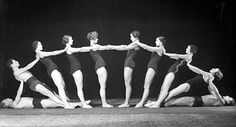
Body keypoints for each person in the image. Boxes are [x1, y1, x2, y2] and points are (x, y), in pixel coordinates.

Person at [145, 62, 235, 107]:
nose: (227, 96)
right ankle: (156, 103)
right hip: (194, 93)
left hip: (193, 93)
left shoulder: (222, 101)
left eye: (229, 98)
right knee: (172, 96)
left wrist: (189, 65)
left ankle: (156, 104)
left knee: (172, 96)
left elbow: (198, 70)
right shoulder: (215, 93)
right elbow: (212, 91)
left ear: (228, 102)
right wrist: (210, 85)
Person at [32, 41, 73, 109]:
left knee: (62, 85)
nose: (41, 45)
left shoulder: (39, 53)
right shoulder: (39, 53)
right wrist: (64, 50)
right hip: (52, 70)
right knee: (60, 87)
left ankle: (67, 102)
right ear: (36, 46)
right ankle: (66, 105)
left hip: (54, 69)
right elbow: (52, 53)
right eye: (40, 44)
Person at [107, 31, 140, 108]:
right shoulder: (134, 43)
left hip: (129, 62)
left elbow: (124, 48)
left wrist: (112, 47)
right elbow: (124, 46)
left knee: (127, 83)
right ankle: (126, 102)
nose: (130, 38)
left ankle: (126, 103)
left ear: (135, 37)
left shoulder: (136, 44)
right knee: (127, 83)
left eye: (131, 37)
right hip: (128, 62)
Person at [62, 35, 96, 108]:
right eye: (71, 39)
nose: (72, 40)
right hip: (75, 69)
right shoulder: (69, 48)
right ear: (67, 41)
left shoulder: (69, 48)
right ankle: (83, 104)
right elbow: (80, 49)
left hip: (76, 69)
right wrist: (91, 48)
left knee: (80, 87)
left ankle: (83, 102)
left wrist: (90, 48)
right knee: (79, 88)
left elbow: (81, 49)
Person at [134, 36, 166, 108]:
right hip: (152, 68)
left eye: (157, 40)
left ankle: (141, 102)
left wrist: (138, 43)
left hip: (152, 68)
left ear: (161, 42)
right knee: (146, 86)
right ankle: (144, 101)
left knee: (146, 86)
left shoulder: (160, 48)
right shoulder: (160, 49)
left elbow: (148, 48)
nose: (155, 42)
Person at [87, 31, 113, 108]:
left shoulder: (92, 46)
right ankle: (104, 103)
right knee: (102, 86)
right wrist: (110, 46)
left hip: (98, 67)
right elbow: (104, 47)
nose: (97, 39)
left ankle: (104, 103)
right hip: (100, 67)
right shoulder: (94, 46)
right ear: (92, 39)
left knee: (102, 86)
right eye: (96, 38)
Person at [1, 97, 91, 109]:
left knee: (60, 102)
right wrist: (22, 81)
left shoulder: (16, 103)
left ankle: (80, 103)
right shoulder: (15, 104)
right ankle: (81, 103)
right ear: (6, 105)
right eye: (6, 100)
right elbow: (19, 93)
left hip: (39, 102)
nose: (8, 98)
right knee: (60, 103)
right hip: (39, 103)